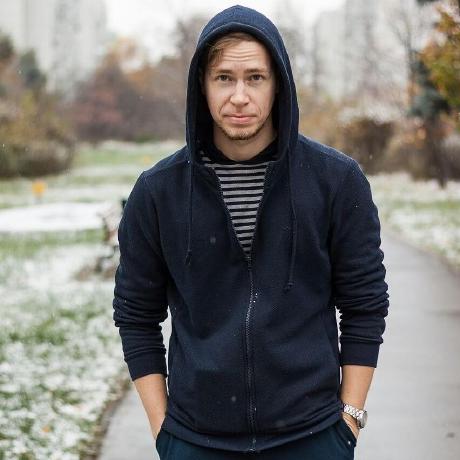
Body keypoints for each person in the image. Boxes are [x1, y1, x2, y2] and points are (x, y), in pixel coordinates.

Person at [112, 4, 389, 459]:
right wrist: (164, 433)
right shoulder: (159, 191)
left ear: (278, 84)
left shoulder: (336, 181)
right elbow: (136, 315)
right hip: (196, 441)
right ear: (202, 86)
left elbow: (365, 304)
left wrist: (348, 422)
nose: (239, 96)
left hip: (312, 437)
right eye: (224, 78)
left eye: (255, 78)